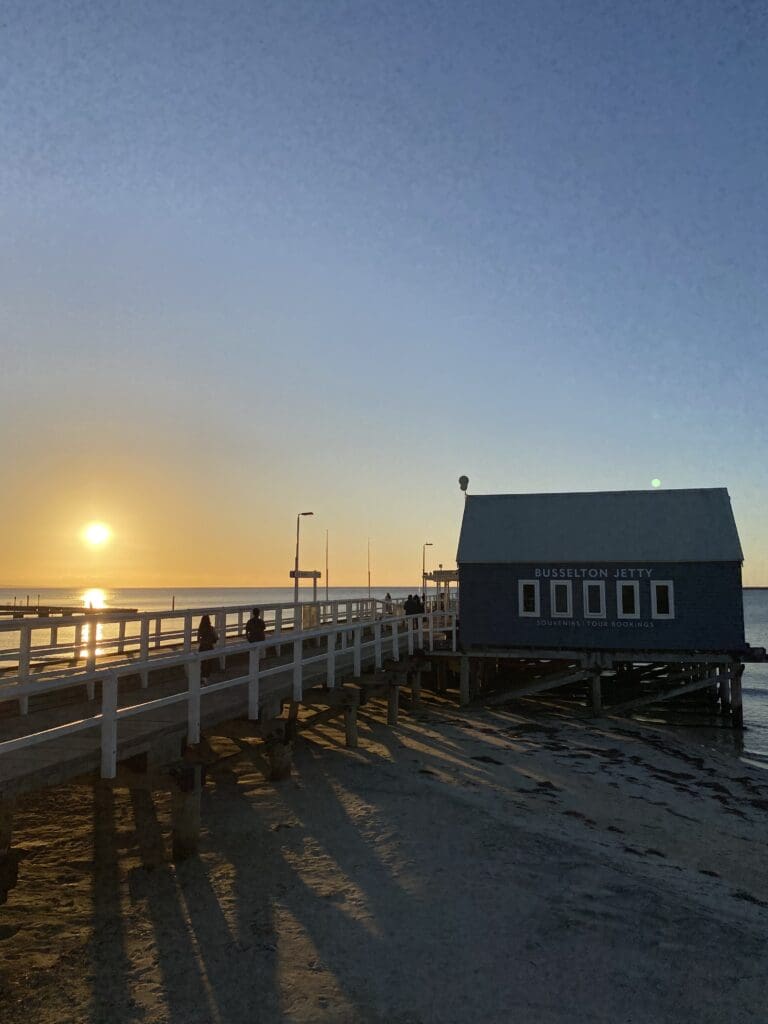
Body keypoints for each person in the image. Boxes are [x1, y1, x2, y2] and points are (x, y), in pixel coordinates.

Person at [197, 614, 218, 678]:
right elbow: (216, 637)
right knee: (209, 663)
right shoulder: (211, 628)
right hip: (209, 647)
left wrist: (203, 641)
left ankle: (202, 676)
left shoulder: (200, 629)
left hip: (202, 647)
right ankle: (207, 676)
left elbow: (198, 640)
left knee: (203, 663)